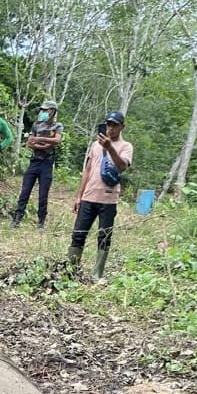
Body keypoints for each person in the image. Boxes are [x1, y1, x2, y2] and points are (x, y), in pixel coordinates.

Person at [69, 110, 132, 279]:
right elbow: (87, 170)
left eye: (115, 125)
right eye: (108, 124)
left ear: (122, 127)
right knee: (78, 234)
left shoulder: (126, 147)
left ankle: (97, 275)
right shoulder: (95, 145)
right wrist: (79, 196)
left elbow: (122, 166)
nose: (111, 128)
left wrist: (110, 147)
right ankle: (71, 271)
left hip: (109, 199)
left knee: (104, 237)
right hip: (89, 196)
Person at [12, 100, 63, 229]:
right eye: (42, 110)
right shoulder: (36, 125)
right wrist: (44, 145)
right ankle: (17, 218)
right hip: (34, 161)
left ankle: (41, 221)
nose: (43, 112)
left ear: (53, 111)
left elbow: (57, 140)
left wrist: (39, 140)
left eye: (46, 110)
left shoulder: (57, 126)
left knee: (43, 194)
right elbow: (30, 142)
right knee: (25, 191)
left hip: (47, 163)